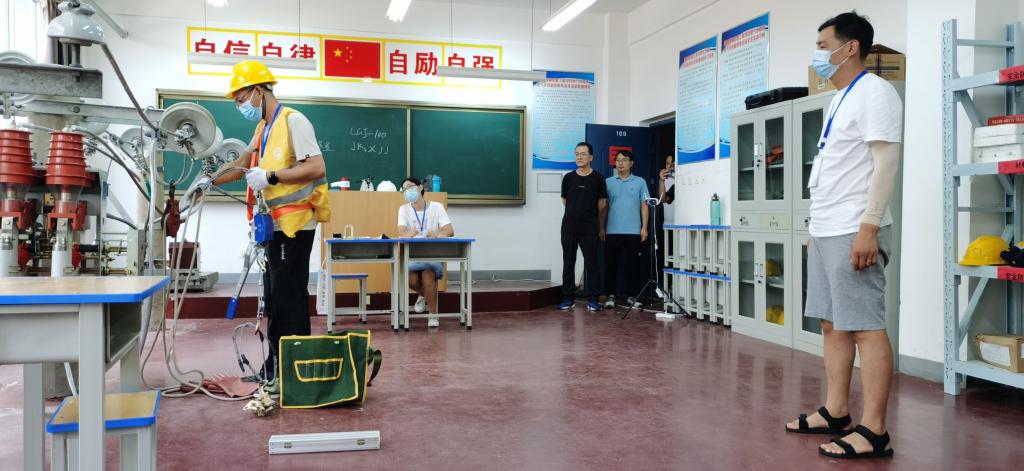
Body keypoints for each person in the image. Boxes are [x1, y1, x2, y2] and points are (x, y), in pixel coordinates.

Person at [784, 12, 902, 460]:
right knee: (832, 323)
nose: (817, 54)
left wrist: (869, 226)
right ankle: (836, 412)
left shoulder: (876, 92)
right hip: (827, 228)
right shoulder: (838, 98)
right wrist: (814, 228)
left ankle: (875, 431)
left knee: (866, 327)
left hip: (855, 226)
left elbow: (885, 164)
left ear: (849, 47)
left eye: (822, 45)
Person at [203, 60, 331, 382]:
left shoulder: (293, 121)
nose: (240, 106)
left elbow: (317, 167)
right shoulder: (262, 128)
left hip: (295, 225)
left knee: (289, 298)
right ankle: (275, 367)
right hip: (273, 227)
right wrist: (210, 181)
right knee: (274, 298)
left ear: (258, 91)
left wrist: (271, 176)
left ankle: (292, 371)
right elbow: (241, 165)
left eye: (241, 99)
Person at [397, 177, 454, 328]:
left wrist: (437, 234)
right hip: (412, 257)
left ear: (420, 187)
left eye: (410, 187)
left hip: (432, 255)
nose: (407, 191)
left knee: (428, 276)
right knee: (411, 280)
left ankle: (433, 315)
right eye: (404, 189)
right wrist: (410, 233)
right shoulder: (404, 209)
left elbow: (449, 230)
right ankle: (423, 294)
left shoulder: (437, 207)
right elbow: (401, 231)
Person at [559, 142, 608, 312]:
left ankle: (593, 299)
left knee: (592, 264)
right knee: (568, 263)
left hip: (590, 228)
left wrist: (592, 219)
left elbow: (602, 204)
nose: (579, 157)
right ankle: (568, 298)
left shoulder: (599, 178)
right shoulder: (568, 178)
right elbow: (565, 201)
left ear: (591, 157)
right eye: (577, 154)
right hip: (569, 227)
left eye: (583, 154)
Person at [603, 150, 649, 309]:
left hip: (633, 231)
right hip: (612, 231)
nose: (620, 163)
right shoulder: (608, 182)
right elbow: (603, 206)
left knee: (633, 266)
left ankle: (632, 296)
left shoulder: (640, 182)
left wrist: (644, 227)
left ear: (631, 163)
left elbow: (644, 205)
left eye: (624, 159)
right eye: (618, 160)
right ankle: (610, 295)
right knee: (611, 265)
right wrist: (601, 227)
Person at [657, 155, 676, 282]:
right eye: (668, 163)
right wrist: (661, 181)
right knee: (667, 260)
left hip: (682, 227)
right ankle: (667, 286)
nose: (670, 166)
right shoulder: (666, 180)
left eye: (673, 163)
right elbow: (662, 199)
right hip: (667, 226)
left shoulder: (682, 180)